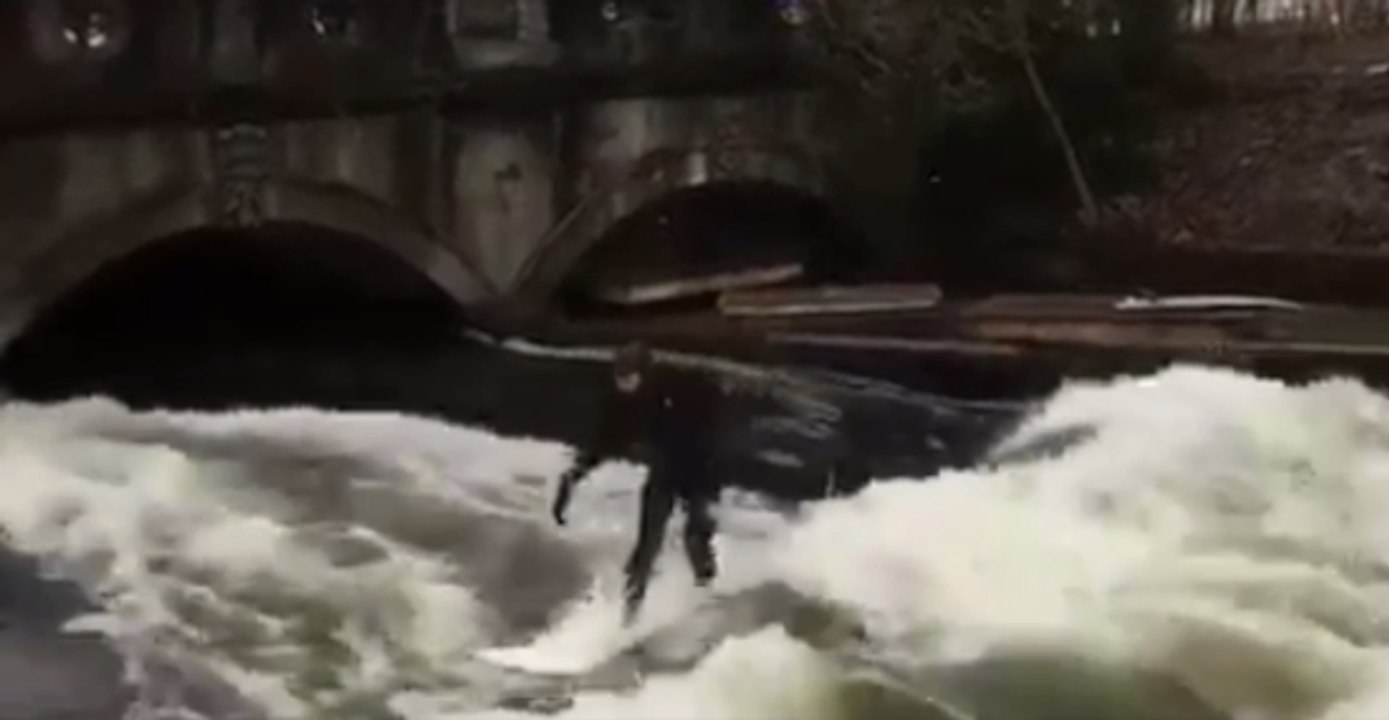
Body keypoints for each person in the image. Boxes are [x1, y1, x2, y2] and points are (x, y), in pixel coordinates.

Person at [551, 342, 722, 623]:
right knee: (646, 548)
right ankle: (629, 618)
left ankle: (706, 601)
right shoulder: (622, 400)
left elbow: (714, 427)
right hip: (665, 473)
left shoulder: (682, 390)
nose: (623, 386)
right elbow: (604, 440)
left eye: (628, 379)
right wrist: (573, 477)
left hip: (702, 472)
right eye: (619, 379)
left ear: (644, 375)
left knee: (696, 541)